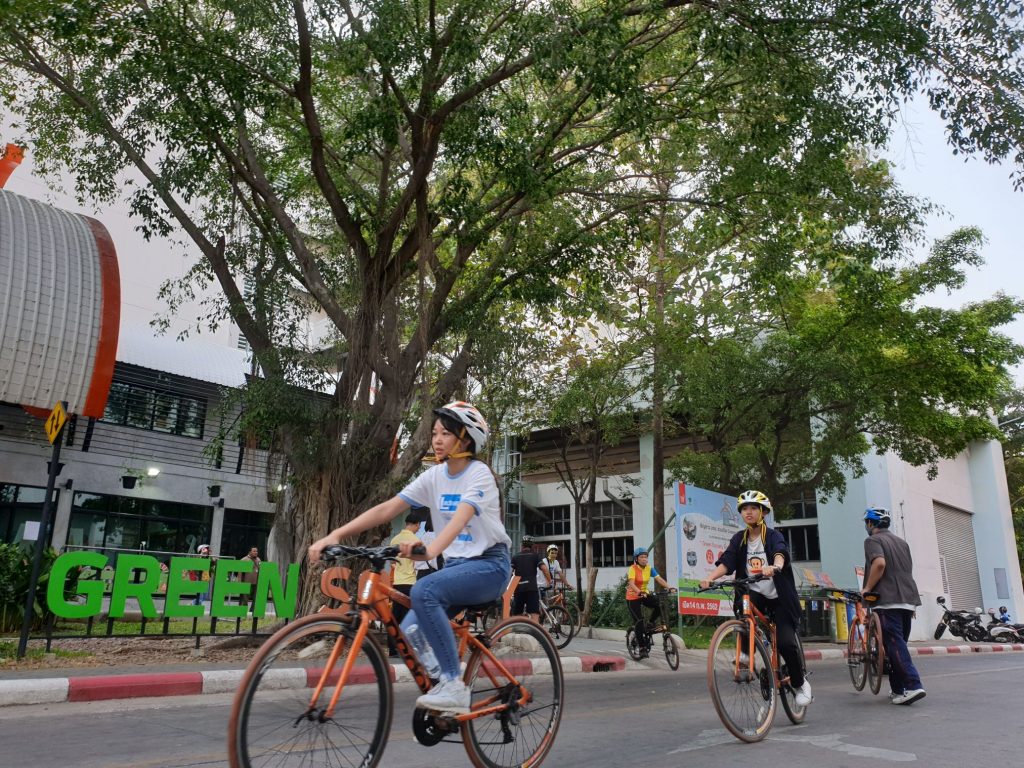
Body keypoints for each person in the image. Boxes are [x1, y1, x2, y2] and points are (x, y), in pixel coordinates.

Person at [309, 401, 510, 714]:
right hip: (457, 569)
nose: (437, 439)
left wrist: (429, 550)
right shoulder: (434, 477)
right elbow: (387, 508)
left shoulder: (479, 475)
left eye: (446, 433)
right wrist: (336, 534)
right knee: (411, 627)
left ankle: (454, 685)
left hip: (489, 566)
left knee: (423, 591)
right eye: (434, 433)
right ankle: (442, 695)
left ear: (466, 439)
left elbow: (460, 518)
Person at [699, 490, 813, 707]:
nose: (748, 512)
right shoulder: (738, 539)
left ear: (762, 512)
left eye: (753, 508)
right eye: (744, 509)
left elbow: (781, 552)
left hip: (779, 597)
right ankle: (744, 654)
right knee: (745, 605)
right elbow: (727, 562)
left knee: (787, 643)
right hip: (756, 593)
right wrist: (709, 578)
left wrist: (775, 566)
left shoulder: (772, 536)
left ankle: (801, 684)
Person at [862, 507, 926, 705]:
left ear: (871, 523)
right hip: (907, 599)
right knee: (897, 646)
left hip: (887, 600)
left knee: (894, 645)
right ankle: (898, 689)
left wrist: (867, 588)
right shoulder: (902, 543)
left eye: (867, 522)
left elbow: (879, 564)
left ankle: (913, 685)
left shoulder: (873, 540)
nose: (866, 526)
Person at [625, 546, 674, 658]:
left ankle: (651, 623)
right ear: (636, 559)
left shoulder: (649, 568)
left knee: (659, 605)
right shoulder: (632, 568)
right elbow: (631, 583)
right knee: (639, 622)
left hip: (644, 594)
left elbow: (659, 579)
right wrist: (638, 592)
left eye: (646, 557)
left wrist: (669, 587)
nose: (644, 559)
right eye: (642, 557)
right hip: (633, 597)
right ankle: (642, 647)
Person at [389, 510, 424, 630]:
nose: (419, 528)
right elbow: (418, 564)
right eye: (419, 525)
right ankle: (406, 646)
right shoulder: (416, 541)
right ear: (417, 524)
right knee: (408, 618)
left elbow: (392, 562)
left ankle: (393, 647)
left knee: (395, 616)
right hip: (410, 582)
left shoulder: (395, 540)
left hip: (397, 582)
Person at [511, 536, 550, 621]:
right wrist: (549, 581)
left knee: (517, 614)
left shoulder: (515, 557)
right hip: (531, 588)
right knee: (534, 613)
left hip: (519, 588)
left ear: (522, 545)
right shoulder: (535, 556)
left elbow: (510, 571)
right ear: (532, 546)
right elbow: (544, 569)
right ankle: (533, 632)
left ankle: (517, 632)